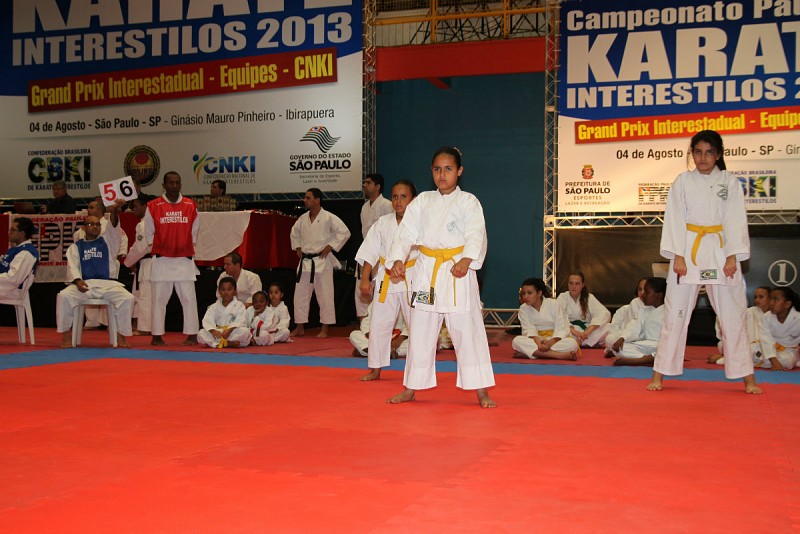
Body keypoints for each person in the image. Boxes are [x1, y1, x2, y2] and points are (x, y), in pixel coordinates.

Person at [648, 130, 761, 394]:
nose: (703, 157)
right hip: (688, 252)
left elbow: (735, 218)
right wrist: (678, 255)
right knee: (675, 315)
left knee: (733, 316)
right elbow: (674, 218)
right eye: (698, 152)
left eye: (709, 152)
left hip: (720, 253)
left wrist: (732, 255)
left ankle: (748, 378)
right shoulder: (682, 182)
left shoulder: (729, 183)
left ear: (718, 154)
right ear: (692, 154)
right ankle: (659, 374)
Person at [385, 146, 496, 408]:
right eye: (437, 169)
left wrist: (467, 260)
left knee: (467, 331)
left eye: (448, 169)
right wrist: (398, 258)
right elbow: (405, 234)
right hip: (427, 274)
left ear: (459, 171)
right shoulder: (422, 201)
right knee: (420, 331)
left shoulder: (468, 201)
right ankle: (411, 388)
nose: (442, 175)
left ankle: (481, 390)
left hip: (457, 273)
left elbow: (476, 234)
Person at [355, 179, 417, 381]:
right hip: (386, 277)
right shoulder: (382, 223)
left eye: (404, 197)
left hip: (411, 277)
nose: (398, 201)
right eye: (395, 197)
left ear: (413, 199)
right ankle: (375, 368)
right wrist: (365, 278)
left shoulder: (420, 223)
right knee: (378, 323)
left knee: (418, 324)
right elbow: (369, 252)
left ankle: (419, 369)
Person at [55, 203, 134, 348]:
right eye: (91, 224)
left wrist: (114, 211)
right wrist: (77, 281)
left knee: (127, 298)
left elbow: (114, 228)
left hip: (108, 285)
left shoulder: (108, 243)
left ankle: (121, 335)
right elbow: (72, 266)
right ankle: (66, 335)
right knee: (64, 296)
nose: (95, 227)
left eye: (98, 224)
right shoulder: (75, 247)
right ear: (83, 228)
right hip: (85, 285)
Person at [144, 171, 200, 346]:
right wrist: (162, 246)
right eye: (171, 183)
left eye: (177, 183)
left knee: (189, 299)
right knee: (159, 300)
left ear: (181, 185)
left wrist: (184, 245)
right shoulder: (153, 206)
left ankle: (192, 334)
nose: (174, 186)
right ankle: (156, 335)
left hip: (184, 259)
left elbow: (194, 231)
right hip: (162, 260)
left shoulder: (191, 205)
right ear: (164, 185)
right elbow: (148, 233)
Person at [289, 188, 351, 338]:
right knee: (300, 296)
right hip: (305, 262)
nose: (305, 200)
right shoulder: (302, 219)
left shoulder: (328, 217)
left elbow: (344, 232)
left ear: (317, 200)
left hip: (322, 261)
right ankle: (300, 327)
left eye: (308, 198)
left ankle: (325, 328)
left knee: (325, 296)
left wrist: (331, 246)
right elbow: (294, 233)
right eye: (305, 197)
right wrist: (297, 247)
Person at [74, 199, 129, 329]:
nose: (88, 210)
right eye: (88, 207)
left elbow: (120, 237)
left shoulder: (108, 224)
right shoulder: (81, 230)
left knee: (109, 297)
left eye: (91, 207)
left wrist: (120, 252)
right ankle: (92, 321)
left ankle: (110, 322)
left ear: (100, 209)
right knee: (87, 292)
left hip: (107, 265)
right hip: (88, 266)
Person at [355, 173, 393, 321]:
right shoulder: (364, 207)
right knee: (361, 288)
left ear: (377, 186)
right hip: (368, 250)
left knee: (379, 287)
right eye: (364, 182)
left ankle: (381, 322)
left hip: (383, 253)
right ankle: (363, 325)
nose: (364, 185)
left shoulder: (387, 205)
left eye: (368, 183)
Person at [512, 278, 579, 360]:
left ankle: (530, 354)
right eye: (524, 293)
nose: (525, 296)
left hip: (554, 339)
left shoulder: (554, 304)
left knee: (572, 344)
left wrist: (550, 343)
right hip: (537, 340)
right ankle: (560, 355)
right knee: (516, 341)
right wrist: (539, 344)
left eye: (529, 293)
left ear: (539, 293)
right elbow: (529, 329)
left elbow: (561, 327)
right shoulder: (523, 308)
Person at [605, 277, 667, 366]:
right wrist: (623, 338)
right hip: (645, 344)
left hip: (661, 345)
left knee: (668, 350)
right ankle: (646, 359)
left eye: (647, 292)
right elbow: (634, 326)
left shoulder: (669, 312)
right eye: (641, 290)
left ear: (659, 295)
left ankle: (638, 360)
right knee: (619, 347)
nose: (643, 295)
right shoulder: (644, 310)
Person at [707, 286, 771, 365]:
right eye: (755, 297)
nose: (757, 300)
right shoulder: (751, 311)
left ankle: (727, 359)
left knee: (758, 350)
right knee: (722, 344)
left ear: (770, 298)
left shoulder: (773, 315)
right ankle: (734, 358)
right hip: (751, 346)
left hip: (766, 347)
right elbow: (734, 317)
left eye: (761, 297)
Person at [556, 271, 611, 348]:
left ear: (582, 284)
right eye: (571, 283)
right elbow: (559, 317)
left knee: (609, 327)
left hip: (587, 330)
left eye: (577, 283)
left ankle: (578, 343)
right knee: (559, 331)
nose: (573, 286)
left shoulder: (588, 297)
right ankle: (588, 342)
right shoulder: (562, 297)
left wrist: (588, 331)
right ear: (568, 284)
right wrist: (574, 331)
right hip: (570, 330)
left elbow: (603, 313)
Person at [124, 197, 153, 335]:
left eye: (136, 206)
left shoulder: (143, 224)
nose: (133, 209)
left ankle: (145, 328)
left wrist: (129, 261)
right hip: (157, 262)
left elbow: (140, 247)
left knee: (145, 296)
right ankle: (154, 327)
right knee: (154, 297)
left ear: (145, 206)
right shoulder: (156, 221)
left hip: (148, 263)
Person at [197, 277, 251, 348]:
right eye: (223, 289)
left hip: (232, 332)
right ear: (219, 291)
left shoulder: (239, 305)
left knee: (245, 332)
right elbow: (207, 320)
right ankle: (228, 343)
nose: (226, 292)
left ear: (235, 291)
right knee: (201, 333)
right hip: (218, 332)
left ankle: (217, 343)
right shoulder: (214, 306)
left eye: (229, 289)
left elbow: (241, 320)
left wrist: (230, 330)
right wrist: (212, 330)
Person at [756, 287, 799, 371]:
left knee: (786, 360)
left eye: (775, 300)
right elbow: (766, 340)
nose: (771, 303)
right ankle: (769, 362)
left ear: (787, 304)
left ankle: (763, 362)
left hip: (787, 351)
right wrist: (774, 362)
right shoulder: (766, 317)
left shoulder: (798, 319)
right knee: (749, 352)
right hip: (766, 349)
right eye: (770, 299)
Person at [603, 277, 648, 356]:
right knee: (610, 339)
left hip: (647, 341)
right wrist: (622, 337)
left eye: (646, 290)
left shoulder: (657, 305)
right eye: (640, 289)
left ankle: (619, 353)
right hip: (630, 338)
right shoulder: (634, 304)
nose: (642, 293)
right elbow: (631, 329)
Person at [0, 217, 39, 298]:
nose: (9, 232)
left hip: (11, 293)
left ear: (22, 233)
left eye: (13, 230)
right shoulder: (16, 248)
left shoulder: (26, 253)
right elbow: (4, 264)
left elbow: (13, 279)